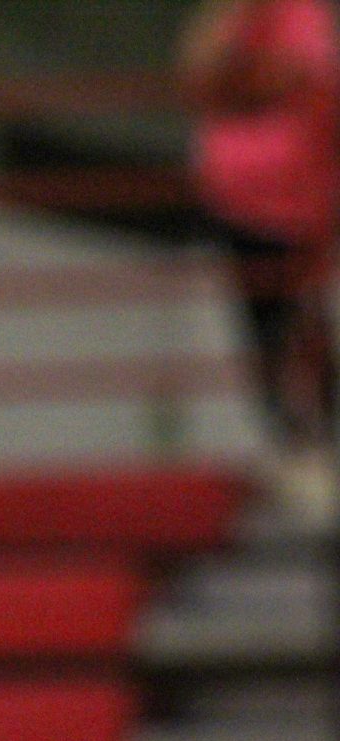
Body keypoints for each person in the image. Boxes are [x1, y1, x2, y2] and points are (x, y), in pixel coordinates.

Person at [177, 0, 340, 522]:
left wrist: (244, 82)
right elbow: (197, 73)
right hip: (245, 203)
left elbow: (306, 77)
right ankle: (298, 447)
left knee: (304, 328)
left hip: (306, 204)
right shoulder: (234, 15)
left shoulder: (302, 13)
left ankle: (314, 445)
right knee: (269, 331)